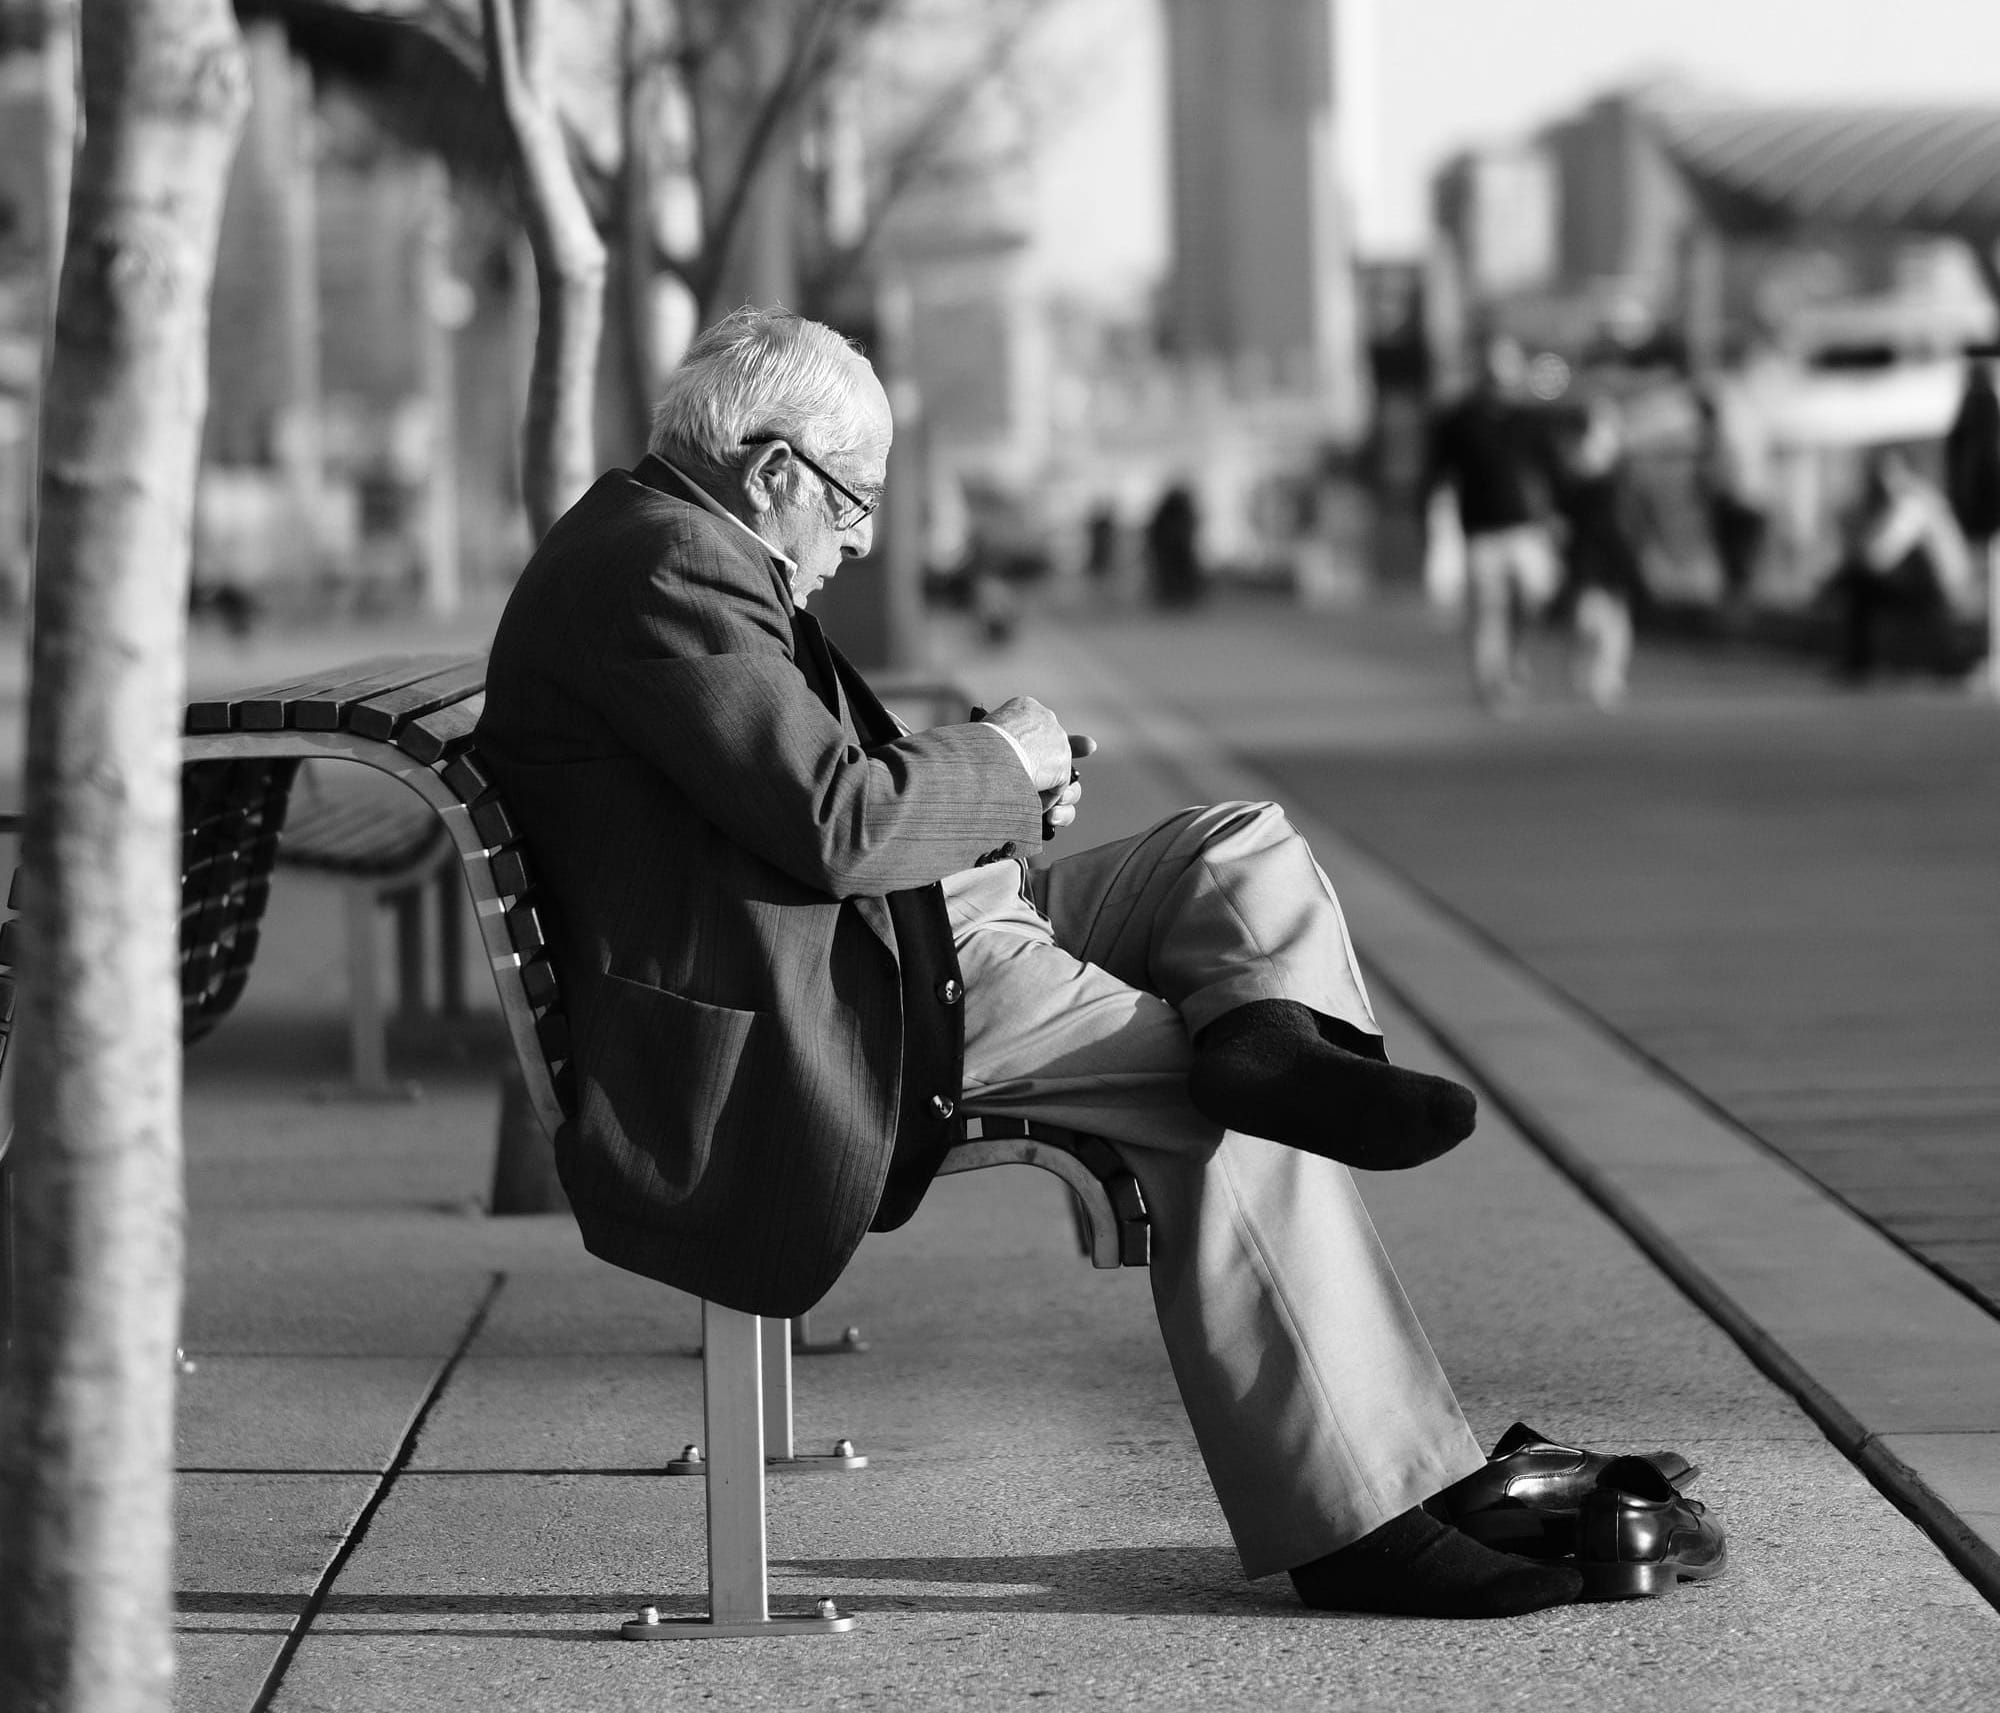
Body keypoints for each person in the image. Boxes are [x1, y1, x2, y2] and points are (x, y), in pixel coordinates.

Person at [476, 307, 1715, 1619]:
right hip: (851, 1005)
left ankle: (1279, 1036)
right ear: (774, 467)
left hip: (898, 940)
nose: (862, 542)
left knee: (1235, 847)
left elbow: (803, 802)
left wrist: (1008, 789)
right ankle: (1355, 1513)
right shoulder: (669, 568)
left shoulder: (664, 543)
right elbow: (839, 824)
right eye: (853, 506)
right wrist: (1000, 757)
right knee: (1203, 1104)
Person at [1424, 336, 1560, 711]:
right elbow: (1436, 475)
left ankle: (1516, 659)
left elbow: (1552, 470)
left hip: (1526, 530)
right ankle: (1492, 683)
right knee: (1487, 609)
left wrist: (1559, 515)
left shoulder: (1529, 420)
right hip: (1481, 530)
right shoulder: (1458, 421)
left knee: (1531, 599)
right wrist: (1433, 529)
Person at [1825, 448, 1975, 683]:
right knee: (1857, 582)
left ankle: (1858, 663)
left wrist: (1840, 574)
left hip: (1939, 590)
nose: (1877, 479)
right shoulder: (1918, 496)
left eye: (1882, 472)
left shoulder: (1912, 501)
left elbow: (1880, 554)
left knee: (1858, 583)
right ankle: (1858, 662)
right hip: (1937, 585)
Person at [1554, 397, 1646, 710]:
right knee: (1587, 617)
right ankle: (1584, 673)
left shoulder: (1618, 465)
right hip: (1587, 549)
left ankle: (1606, 678)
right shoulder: (1575, 462)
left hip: (1612, 549)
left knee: (1614, 617)